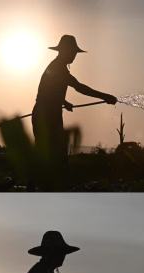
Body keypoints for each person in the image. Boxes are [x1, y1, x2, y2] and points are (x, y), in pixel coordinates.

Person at [32, 35, 118, 176]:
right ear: (64, 51)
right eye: (72, 52)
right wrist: (105, 96)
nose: (74, 55)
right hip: (47, 117)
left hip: (48, 114)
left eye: (75, 53)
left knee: (48, 158)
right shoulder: (59, 70)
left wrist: (63, 102)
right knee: (54, 159)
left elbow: (48, 92)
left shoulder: (56, 68)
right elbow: (80, 87)